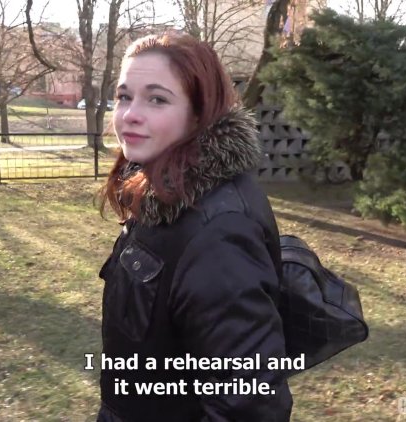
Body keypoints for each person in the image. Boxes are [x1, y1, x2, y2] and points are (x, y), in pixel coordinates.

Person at [96, 32, 292, 422]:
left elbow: (249, 405)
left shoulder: (220, 233)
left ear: (199, 114)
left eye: (157, 99)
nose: (130, 114)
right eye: (124, 96)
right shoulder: (162, 189)